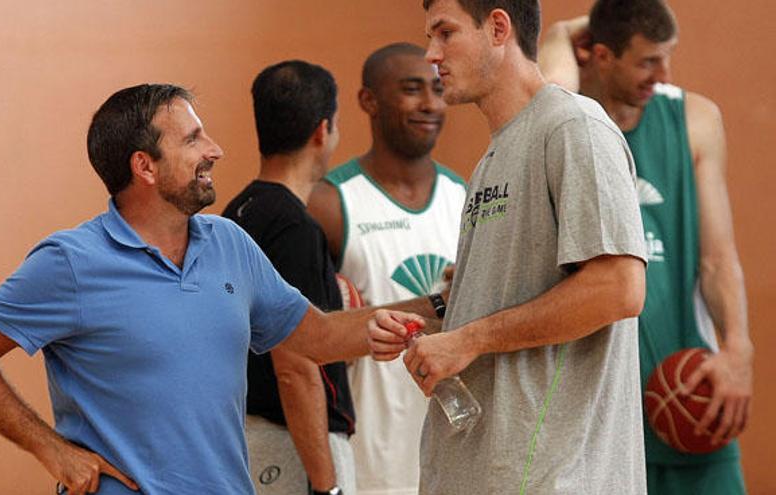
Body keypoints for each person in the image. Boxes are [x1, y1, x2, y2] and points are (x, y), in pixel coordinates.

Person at [0, 83, 424, 495]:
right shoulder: (71, 263)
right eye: (193, 140)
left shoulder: (231, 243)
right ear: (145, 167)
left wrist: (439, 306)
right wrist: (50, 448)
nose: (215, 150)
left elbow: (316, 337)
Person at [368, 0, 650, 492]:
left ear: (498, 28)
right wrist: (431, 324)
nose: (431, 53)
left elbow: (619, 287)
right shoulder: (490, 160)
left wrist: (466, 340)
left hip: (554, 477)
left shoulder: (572, 127)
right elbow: (508, 303)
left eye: (444, 33)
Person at [539, 1, 754, 493]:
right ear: (600, 55)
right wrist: (561, 30)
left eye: (666, 57)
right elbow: (550, 95)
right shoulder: (566, 121)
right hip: (593, 405)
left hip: (688, 388)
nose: (662, 74)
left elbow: (718, 258)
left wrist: (738, 349)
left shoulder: (694, 118)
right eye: (647, 61)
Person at [307, 42, 466, 495]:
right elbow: (302, 340)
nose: (430, 104)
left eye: (437, 89)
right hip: (367, 458)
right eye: (412, 90)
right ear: (368, 101)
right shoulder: (330, 203)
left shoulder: (468, 197)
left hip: (453, 446)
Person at [222, 60, 355, 495]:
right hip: (291, 447)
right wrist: (326, 485)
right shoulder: (293, 226)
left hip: (242, 437)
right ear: (323, 130)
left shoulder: (236, 213)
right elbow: (294, 365)